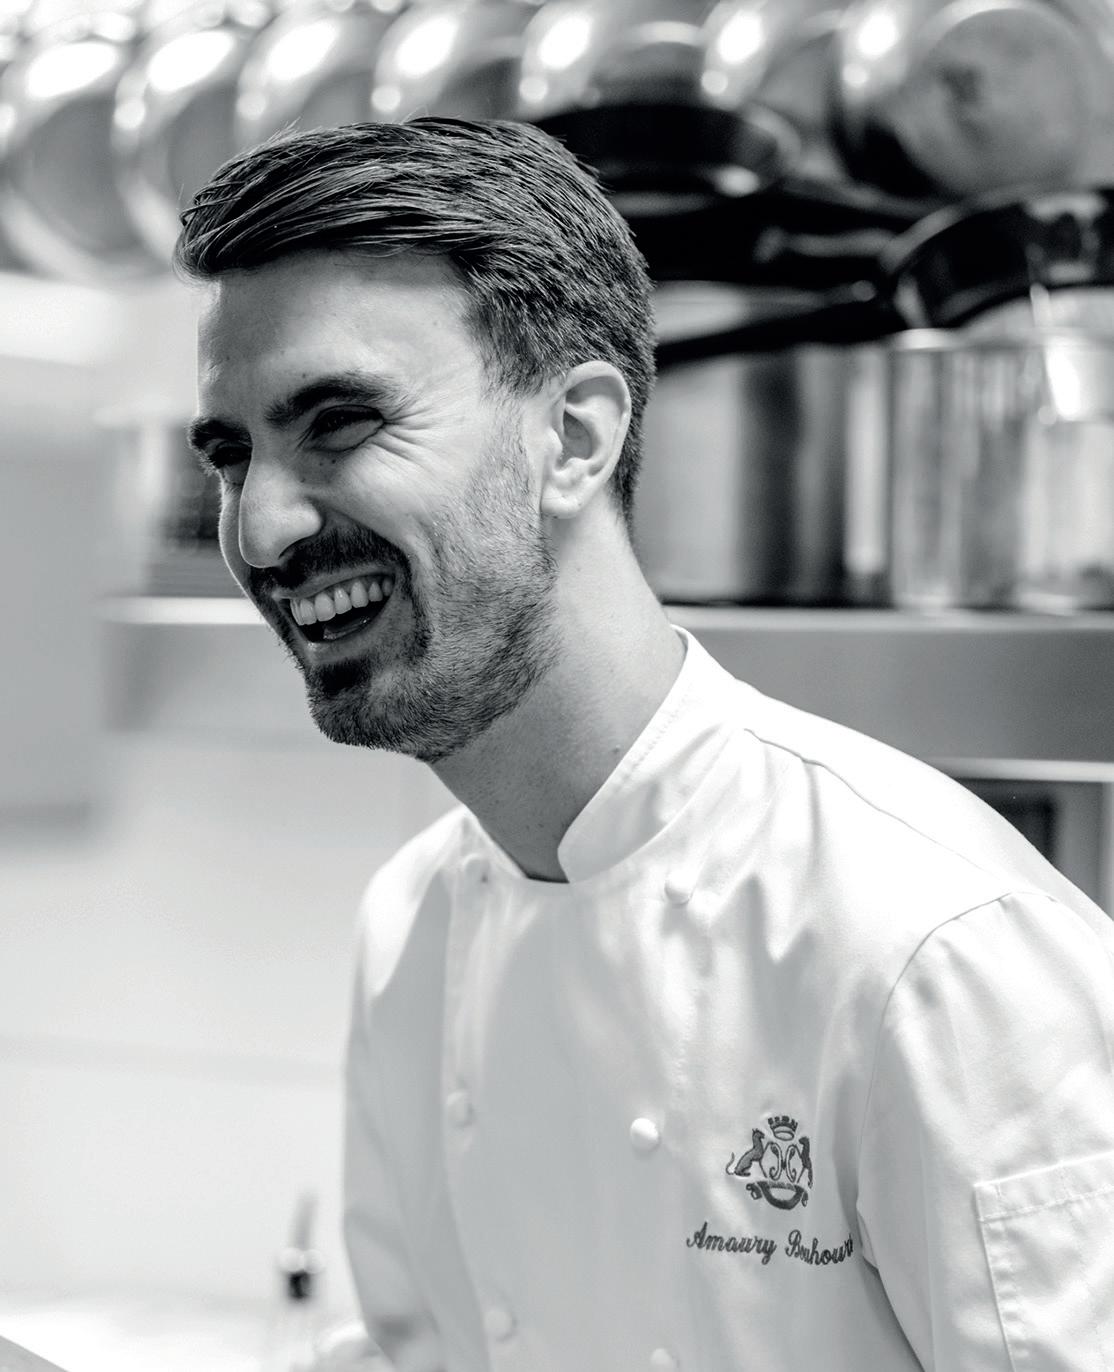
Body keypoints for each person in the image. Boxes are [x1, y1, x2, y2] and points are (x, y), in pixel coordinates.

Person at [174, 118, 1114, 1372]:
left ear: (574, 437)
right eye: (231, 454)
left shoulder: (934, 951)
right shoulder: (413, 924)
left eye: (339, 423)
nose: (262, 527)